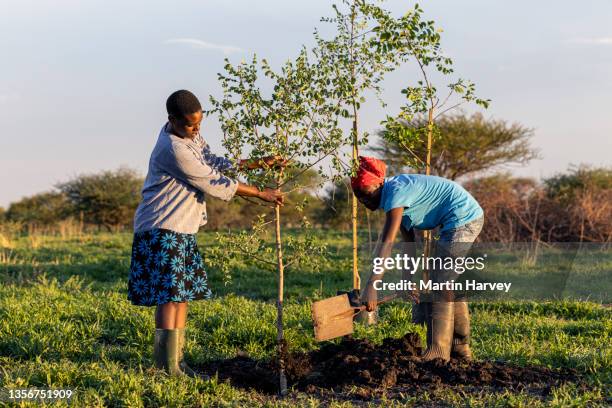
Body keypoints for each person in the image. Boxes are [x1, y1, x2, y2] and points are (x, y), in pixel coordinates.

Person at [128, 89, 284, 376]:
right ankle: (164, 366)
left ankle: (178, 361)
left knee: (182, 293)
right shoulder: (173, 148)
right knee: (169, 295)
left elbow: (213, 161)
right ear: (172, 120)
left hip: (182, 227)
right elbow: (212, 180)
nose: (196, 129)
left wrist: (258, 162)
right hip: (162, 226)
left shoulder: (190, 137)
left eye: (199, 124)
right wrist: (262, 193)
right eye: (190, 124)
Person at [352, 156, 484, 362]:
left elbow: (387, 241)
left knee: (440, 280)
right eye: (359, 196)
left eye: (367, 194)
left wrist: (372, 285)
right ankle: (460, 349)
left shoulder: (395, 194)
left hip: (463, 217)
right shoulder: (394, 198)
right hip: (457, 219)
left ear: (379, 184)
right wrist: (406, 281)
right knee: (443, 280)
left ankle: (438, 352)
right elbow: (408, 244)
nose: (364, 201)